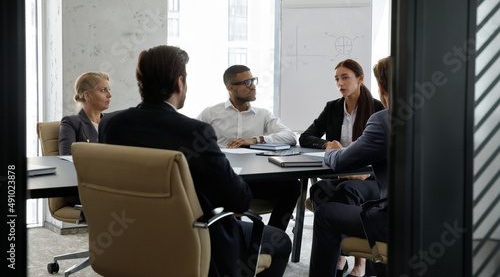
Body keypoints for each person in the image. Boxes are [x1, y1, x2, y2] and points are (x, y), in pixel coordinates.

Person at [99, 46, 291, 277]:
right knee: (281, 242)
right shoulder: (194, 132)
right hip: (191, 237)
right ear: (180, 83)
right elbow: (240, 202)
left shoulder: (111, 125)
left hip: (130, 235)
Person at [300, 59, 384, 276]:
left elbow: (385, 154)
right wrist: (327, 144)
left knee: (348, 191)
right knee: (319, 190)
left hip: (370, 178)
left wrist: (364, 171)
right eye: (337, 79)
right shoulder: (333, 107)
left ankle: (359, 263)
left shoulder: (377, 109)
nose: (340, 83)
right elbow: (306, 136)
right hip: (340, 172)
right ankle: (338, 255)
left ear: (360, 79)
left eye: (345, 77)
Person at [197, 65, 301, 230]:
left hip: (255, 181)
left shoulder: (263, 114)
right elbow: (194, 143)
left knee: (293, 185)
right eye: (246, 82)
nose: (253, 86)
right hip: (225, 179)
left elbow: (290, 137)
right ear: (230, 88)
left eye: (253, 80)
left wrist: (256, 140)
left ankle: (272, 238)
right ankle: (229, 237)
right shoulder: (211, 113)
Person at [58, 71, 112, 155]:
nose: (109, 95)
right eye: (103, 90)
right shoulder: (71, 123)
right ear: (87, 95)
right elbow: (67, 157)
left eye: (108, 90)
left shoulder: (112, 121)